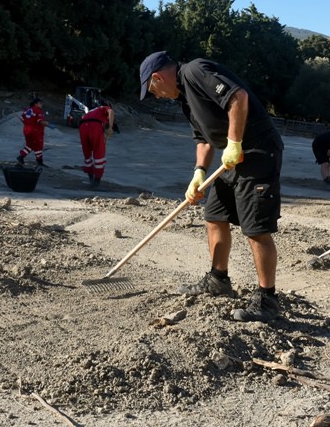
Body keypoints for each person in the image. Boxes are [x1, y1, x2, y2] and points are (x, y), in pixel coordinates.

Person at [139, 50, 284, 322]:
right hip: (232, 158)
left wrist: (234, 142)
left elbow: (237, 98)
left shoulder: (195, 71)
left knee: (255, 228)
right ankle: (218, 280)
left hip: (257, 152)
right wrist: (198, 173)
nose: (156, 95)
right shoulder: (185, 100)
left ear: (158, 77)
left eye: (152, 90)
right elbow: (203, 140)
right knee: (214, 215)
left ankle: (268, 300)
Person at [79, 101, 115, 188]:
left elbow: (83, 117)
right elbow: (111, 112)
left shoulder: (92, 111)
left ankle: (91, 179)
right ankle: (97, 181)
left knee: (87, 154)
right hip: (94, 126)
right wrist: (110, 126)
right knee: (99, 154)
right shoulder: (104, 108)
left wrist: (104, 139)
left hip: (82, 126)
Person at [17, 98, 49, 166]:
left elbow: (23, 118)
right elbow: (39, 121)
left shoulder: (27, 110)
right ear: (36, 104)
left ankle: (21, 157)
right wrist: (45, 123)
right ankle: (39, 162)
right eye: (40, 103)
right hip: (35, 131)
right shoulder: (38, 111)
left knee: (30, 145)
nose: (41, 104)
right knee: (38, 146)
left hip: (26, 130)